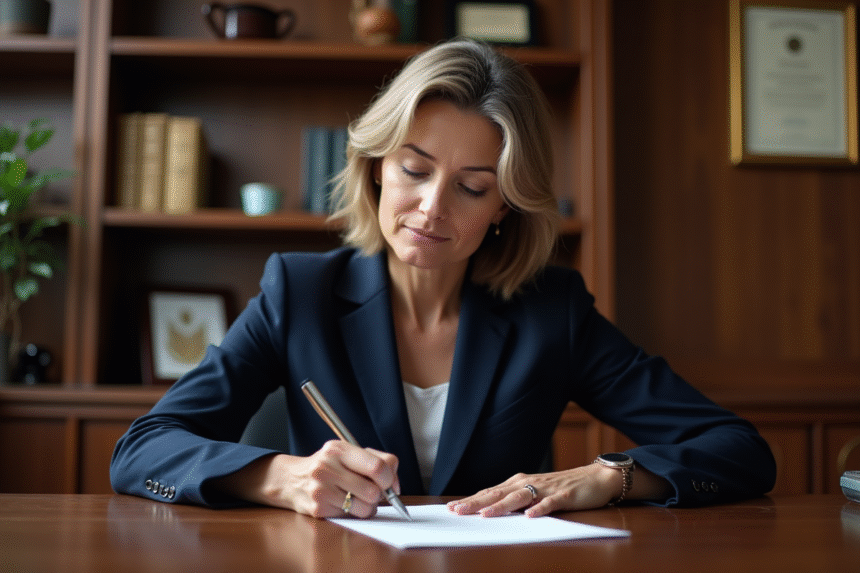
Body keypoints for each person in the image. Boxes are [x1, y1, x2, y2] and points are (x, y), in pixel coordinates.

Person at [110, 38, 776, 519]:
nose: (431, 207)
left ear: (503, 205)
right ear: (376, 166)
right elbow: (142, 450)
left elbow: (738, 449)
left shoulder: (553, 310)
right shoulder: (298, 292)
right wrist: (279, 477)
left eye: (472, 186)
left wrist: (614, 476)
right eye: (414, 168)